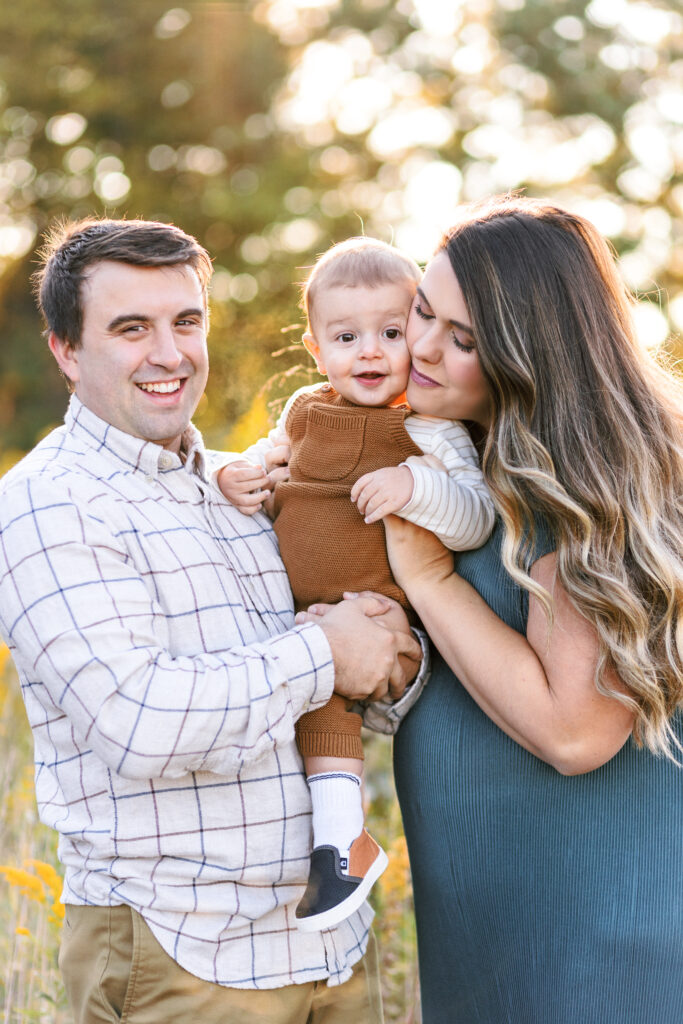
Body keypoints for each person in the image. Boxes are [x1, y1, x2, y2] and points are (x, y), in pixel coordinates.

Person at [0, 217, 426, 1024]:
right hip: (184, 957)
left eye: (185, 322)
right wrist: (327, 652)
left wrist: (391, 655)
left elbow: (363, 682)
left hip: (331, 950)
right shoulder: (47, 504)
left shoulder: (247, 488)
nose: (169, 353)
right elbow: (139, 721)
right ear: (64, 349)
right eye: (132, 329)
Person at [353, 194, 682, 1023]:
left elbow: (574, 732)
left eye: (463, 340)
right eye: (423, 310)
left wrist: (431, 584)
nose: (423, 347)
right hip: (498, 923)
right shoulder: (463, 458)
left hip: (597, 944)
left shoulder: (578, 480)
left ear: (533, 356)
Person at [218, 237, 494, 931]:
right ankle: (320, 847)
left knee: (327, 713)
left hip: (366, 617)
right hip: (287, 614)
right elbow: (267, 456)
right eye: (346, 337)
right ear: (314, 347)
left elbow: (474, 516)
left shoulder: (427, 428)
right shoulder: (306, 410)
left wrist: (414, 487)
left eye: (392, 333)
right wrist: (235, 473)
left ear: (419, 336)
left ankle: (342, 846)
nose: (369, 352)